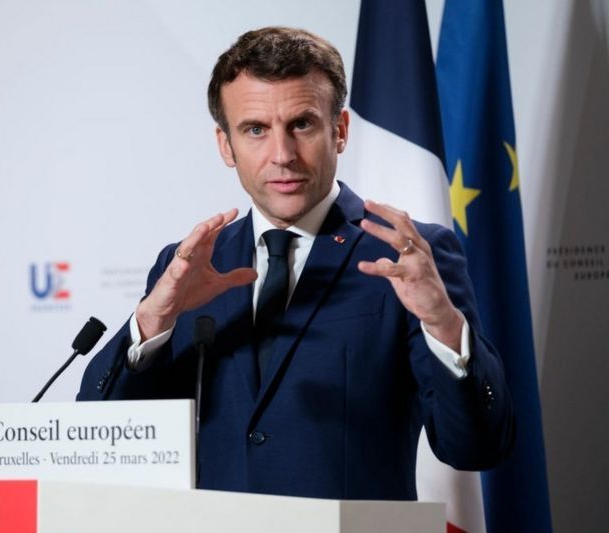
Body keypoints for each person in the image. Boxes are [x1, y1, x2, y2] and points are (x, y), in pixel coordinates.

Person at [78, 26, 514, 501]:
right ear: (225, 145)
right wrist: (152, 321)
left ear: (339, 130)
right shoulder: (188, 265)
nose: (282, 156)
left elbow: (477, 447)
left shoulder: (407, 255)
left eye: (302, 124)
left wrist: (443, 324)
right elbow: (103, 442)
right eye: (256, 130)